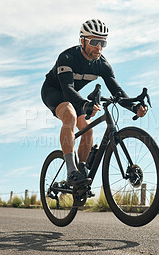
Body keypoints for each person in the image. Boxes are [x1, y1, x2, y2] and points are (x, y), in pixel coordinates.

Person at [41, 19, 147, 187]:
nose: (99, 47)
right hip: (54, 91)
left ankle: (81, 171)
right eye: (94, 42)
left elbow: (117, 92)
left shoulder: (102, 65)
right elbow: (67, 88)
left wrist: (134, 107)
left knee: (88, 130)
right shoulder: (67, 57)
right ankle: (71, 171)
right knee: (70, 116)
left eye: (103, 42)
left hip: (74, 96)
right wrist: (84, 104)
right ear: (82, 41)